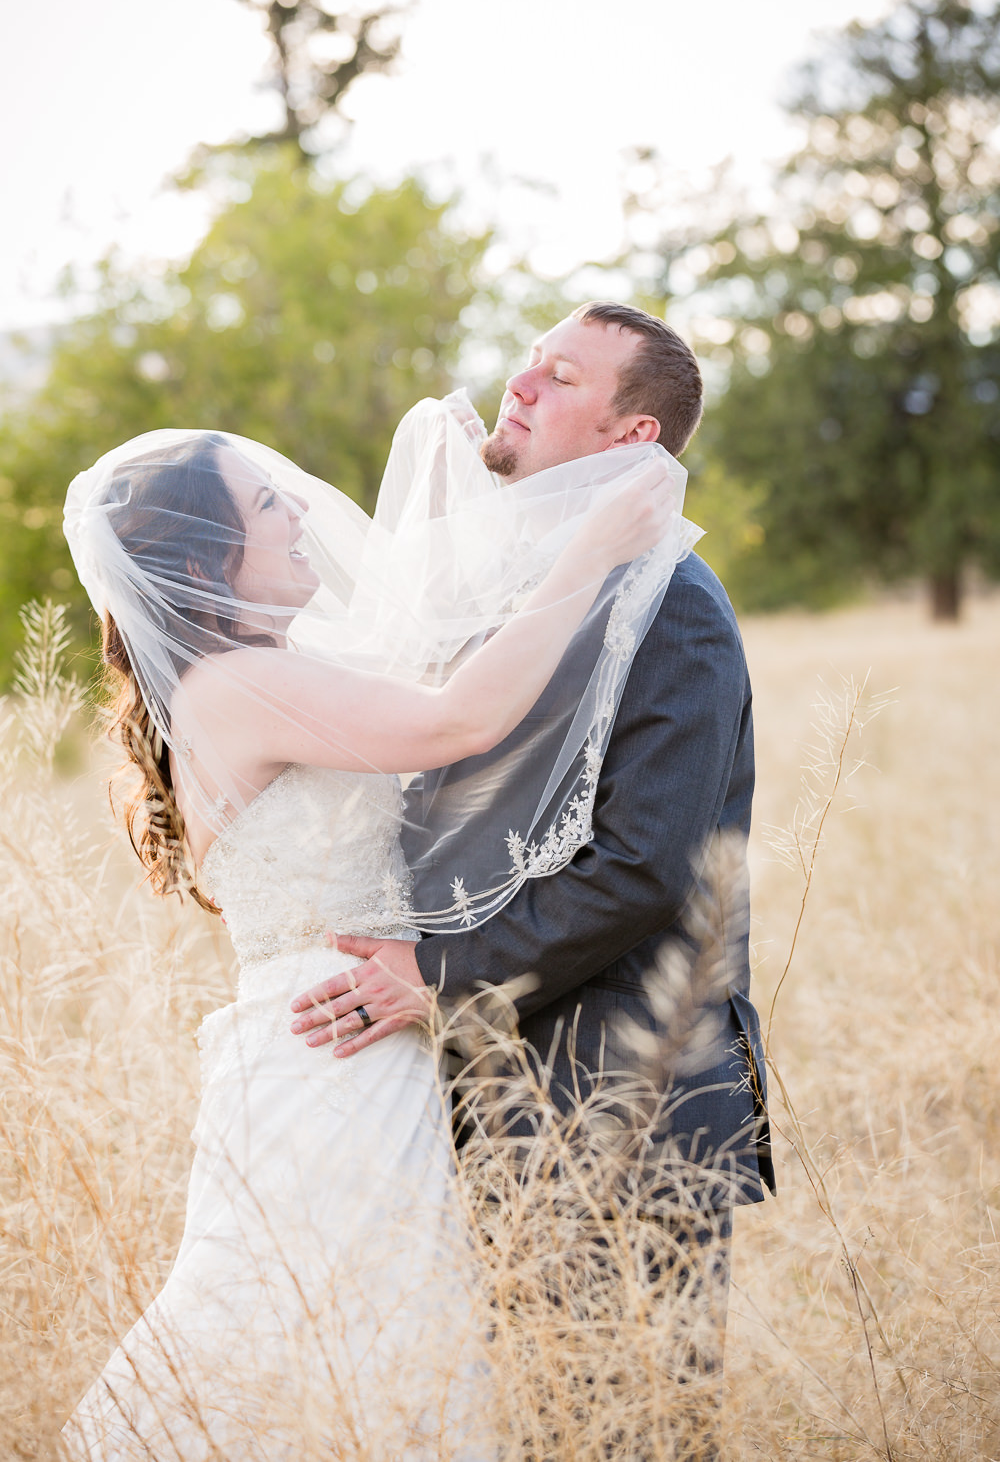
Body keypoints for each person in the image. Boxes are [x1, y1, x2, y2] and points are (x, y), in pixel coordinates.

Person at [59, 412, 688, 1461]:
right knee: (325, 1342)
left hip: (343, 1044)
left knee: (364, 1343)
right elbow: (454, 722)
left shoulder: (267, 673)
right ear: (209, 555)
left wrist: (456, 507)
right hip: (331, 1055)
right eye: (269, 506)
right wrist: (593, 547)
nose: (301, 508)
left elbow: (416, 662)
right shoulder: (243, 685)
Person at [291, 303, 776, 1452]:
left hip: (618, 1102)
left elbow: (643, 870)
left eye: (561, 377)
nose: (519, 383)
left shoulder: (676, 608)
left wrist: (434, 973)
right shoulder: (525, 592)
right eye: (528, 358)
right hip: (487, 1106)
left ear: (631, 436)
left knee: (626, 1433)